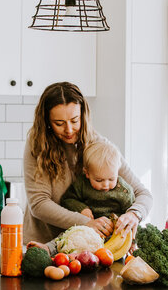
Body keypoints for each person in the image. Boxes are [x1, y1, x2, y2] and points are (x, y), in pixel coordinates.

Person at [23, 81, 152, 253]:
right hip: (43, 244)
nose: (69, 129)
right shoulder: (37, 144)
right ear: (46, 121)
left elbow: (143, 194)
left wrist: (134, 214)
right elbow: (39, 204)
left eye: (74, 121)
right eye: (59, 123)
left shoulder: (99, 147)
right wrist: (86, 223)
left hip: (87, 248)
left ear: (83, 115)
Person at [29, 140, 137, 255]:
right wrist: (82, 208)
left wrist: (133, 241)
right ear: (87, 173)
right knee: (67, 235)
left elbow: (132, 220)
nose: (105, 185)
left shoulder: (124, 191)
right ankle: (48, 248)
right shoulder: (82, 184)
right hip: (87, 229)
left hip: (113, 234)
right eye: (99, 180)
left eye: (111, 179)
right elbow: (67, 199)